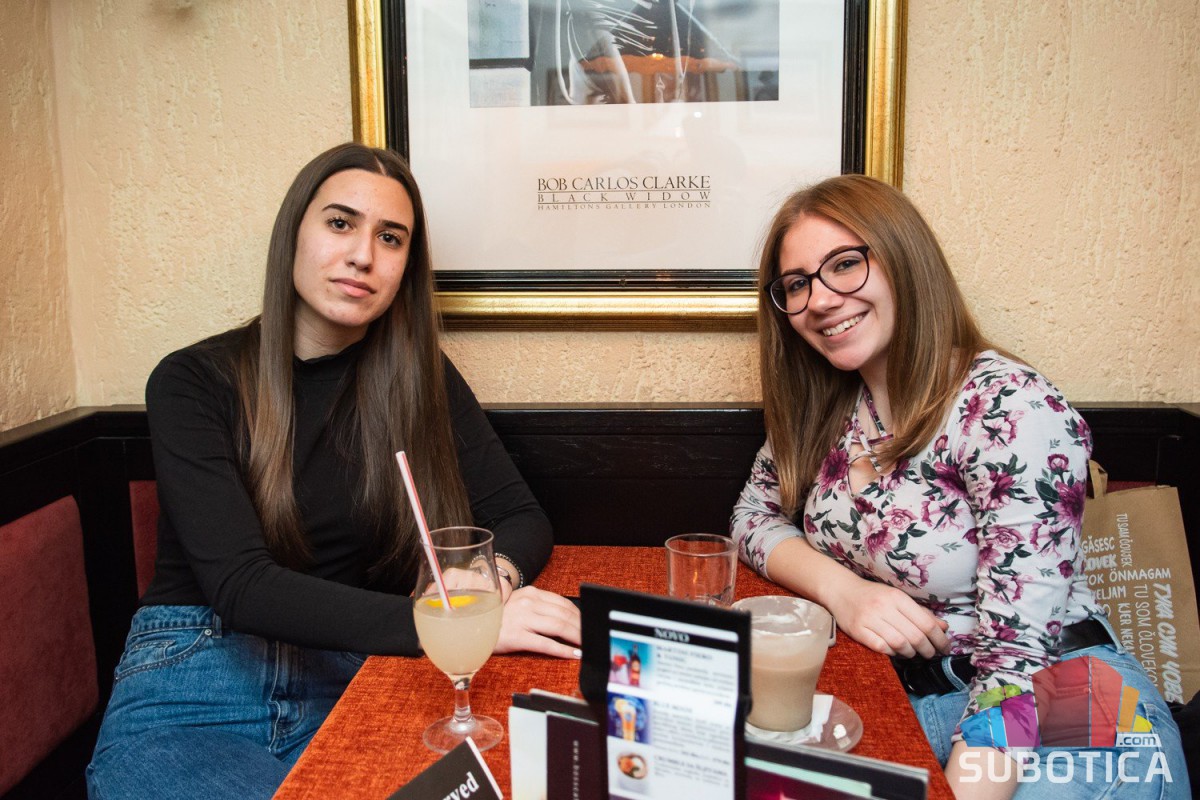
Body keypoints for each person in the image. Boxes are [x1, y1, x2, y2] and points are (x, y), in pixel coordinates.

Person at [86, 143, 581, 799]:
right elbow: (241, 585)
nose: (363, 255)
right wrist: (448, 625)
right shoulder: (192, 381)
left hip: (356, 676)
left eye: (391, 238)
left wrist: (487, 582)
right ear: (293, 234)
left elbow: (519, 515)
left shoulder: (420, 381)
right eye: (341, 223)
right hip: (196, 683)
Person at [731, 174, 1188, 798]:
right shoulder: (831, 408)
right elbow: (752, 517)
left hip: (1064, 696)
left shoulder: (1010, 406)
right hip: (917, 694)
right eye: (796, 284)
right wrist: (845, 593)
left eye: (845, 265)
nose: (821, 299)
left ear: (905, 261)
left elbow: (1013, 667)